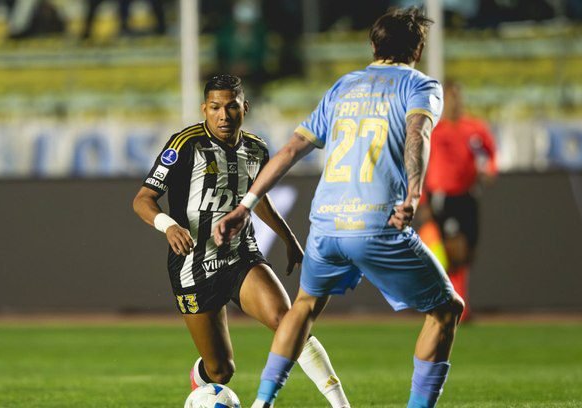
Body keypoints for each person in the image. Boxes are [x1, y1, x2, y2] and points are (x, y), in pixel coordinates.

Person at [214, 8, 465, 408]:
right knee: (447, 309)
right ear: (417, 50)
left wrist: (246, 204)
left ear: (373, 46)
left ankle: (262, 402)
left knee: (304, 307)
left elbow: (292, 148)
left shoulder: (344, 86)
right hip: (376, 222)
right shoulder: (421, 86)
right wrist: (414, 195)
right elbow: (417, 133)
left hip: (326, 224)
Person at [132, 75, 350, 407]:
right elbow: (143, 200)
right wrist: (169, 226)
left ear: (244, 108)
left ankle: (340, 403)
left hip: (240, 256)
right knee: (221, 371)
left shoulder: (256, 148)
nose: (224, 115)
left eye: (231, 107)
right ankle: (203, 378)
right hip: (193, 265)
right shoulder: (185, 144)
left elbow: (256, 198)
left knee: (289, 322)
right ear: (204, 109)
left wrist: (289, 238)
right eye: (215, 107)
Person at [420, 80, 497, 322]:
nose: (455, 103)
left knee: (468, 253)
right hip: (444, 197)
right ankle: (456, 306)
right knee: (456, 251)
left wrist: (490, 171)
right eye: (450, 98)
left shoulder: (474, 128)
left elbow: (491, 154)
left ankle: (456, 302)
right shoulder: (434, 130)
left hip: (468, 195)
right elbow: (420, 165)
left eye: (457, 97)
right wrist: (422, 200)